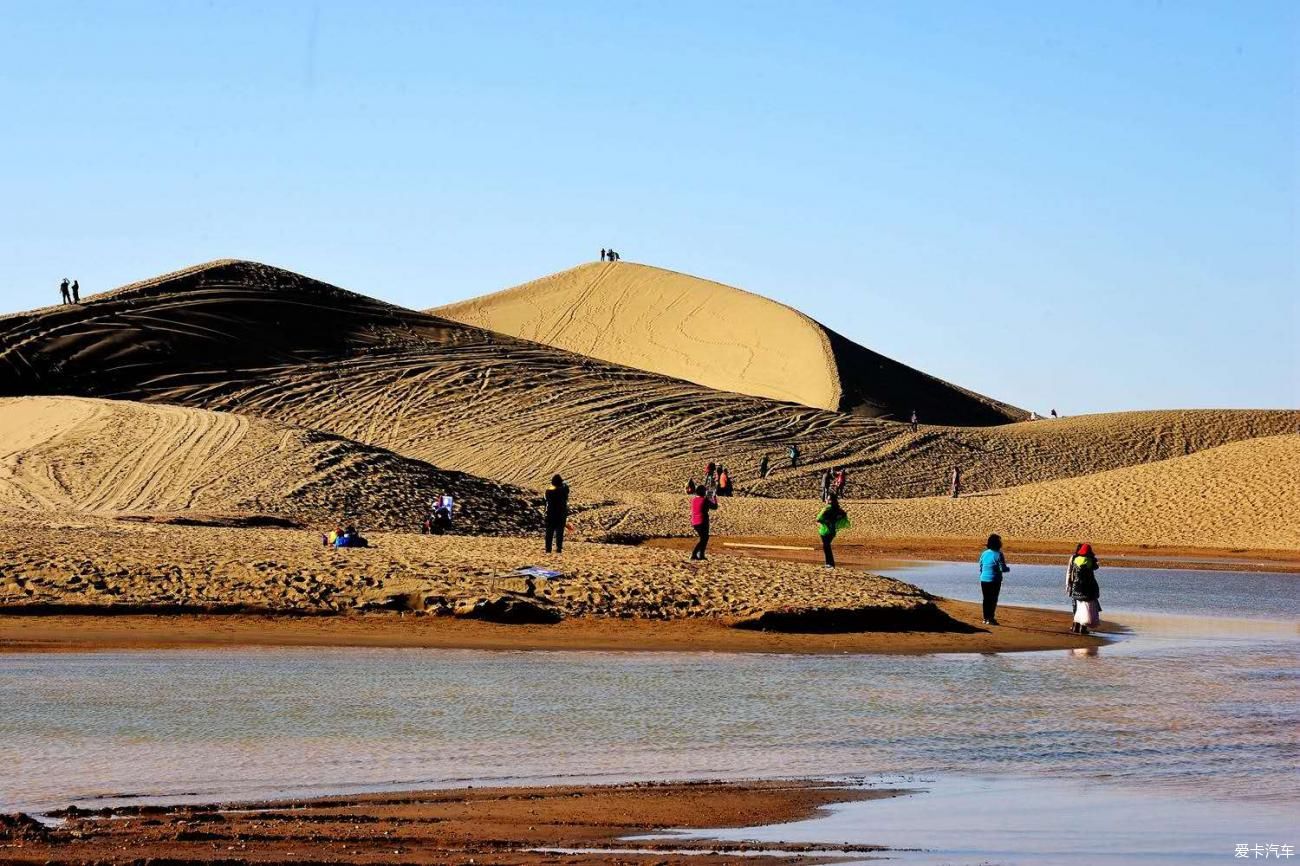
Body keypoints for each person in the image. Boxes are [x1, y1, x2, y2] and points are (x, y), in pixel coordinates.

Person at [1069, 543, 1102, 634]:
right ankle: (1083, 629)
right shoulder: (1090, 561)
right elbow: (1096, 567)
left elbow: (1071, 572)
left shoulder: (1075, 559)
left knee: (1078, 608)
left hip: (1076, 587)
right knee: (1086, 608)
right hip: (1087, 588)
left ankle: (1075, 627)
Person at [978, 533, 1009, 625]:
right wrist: (1007, 569)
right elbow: (1002, 568)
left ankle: (985, 618)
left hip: (984, 578)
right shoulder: (999, 554)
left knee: (986, 599)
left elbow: (981, 566)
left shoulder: (984, 553)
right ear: (998, 544)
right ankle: (990, 618)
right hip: (994, 579)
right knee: (993, 599)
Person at [815, 493, 849, 568]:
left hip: (825, 530)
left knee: (826, 546)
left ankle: (829, 563)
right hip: (832, 530)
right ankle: (830, 563)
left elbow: (818, 519)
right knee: (827, 546)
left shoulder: (827, 508)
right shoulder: (837, 509)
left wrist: (825, 522)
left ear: (830, 500)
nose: (826, 500)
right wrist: (834, 521)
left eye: (828, 499)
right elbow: (843, 515)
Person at [689, 484, 718, 560]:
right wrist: (713, 497)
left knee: (704, 538)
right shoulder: (704, 500)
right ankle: (695, 554)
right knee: (704, 539)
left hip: (695, 522)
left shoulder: (694, 500)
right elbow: (714, 507)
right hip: (702, 521)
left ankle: (701, 555)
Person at [544, 474, 569, 554]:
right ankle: (559, 548)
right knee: (559, 532)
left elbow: (546, 498)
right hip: (560, 514)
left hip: (550, 514)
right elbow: (566, 488)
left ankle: (548, 548)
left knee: (549, 532)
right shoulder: (563, 491)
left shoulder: (549, 491)